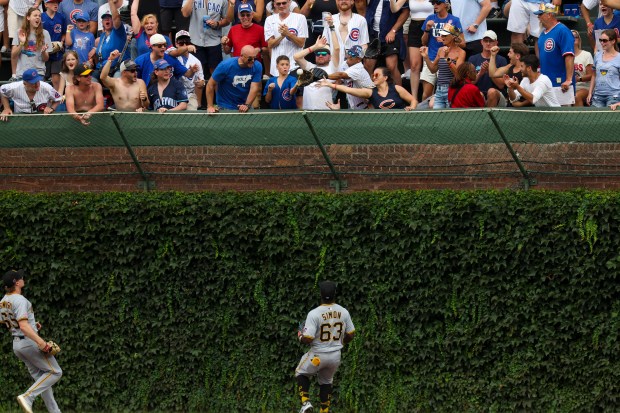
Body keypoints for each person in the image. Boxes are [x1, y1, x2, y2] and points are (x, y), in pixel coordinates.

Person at [0, 269, 63, 413]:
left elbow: (10, 321)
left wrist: (33, 325)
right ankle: (28, 397)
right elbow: (23, 326)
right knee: (55, 372)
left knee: (42, 380)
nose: (23, 278)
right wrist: (41, 342)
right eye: (21, 277)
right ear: (17, 282)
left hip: (17, 345)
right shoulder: (20, 299)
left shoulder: (3, 302)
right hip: (29, 343)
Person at [295, 280, 355, 413]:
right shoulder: (344, 312)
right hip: (335, 356)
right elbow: (351, 334)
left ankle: (305, 403)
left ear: (321, 294)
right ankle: (325, 410)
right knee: (326, 381)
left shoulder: (314, 313)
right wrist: (340, 343)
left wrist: (300, 336)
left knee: (301, 373)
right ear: (335, 294)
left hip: (317, 355)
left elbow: (308, 338)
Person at [388, 0, 432, 101]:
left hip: (430, 26)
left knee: (429, 64)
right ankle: (414, 99)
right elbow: (394, 9)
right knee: (414, 65)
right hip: (414, 27)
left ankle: (429, 98)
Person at [420, 0, 464, 101]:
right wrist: (427, 29)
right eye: (433, 3)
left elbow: (463, 42)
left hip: (446, 59)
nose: (435, 5)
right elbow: (423, 42)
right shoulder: (430, 18)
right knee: (426, 95)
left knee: (446, 94)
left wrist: (448, 39)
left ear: (445, 4)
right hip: (431, 57)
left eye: (438, 3)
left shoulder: (454, 20)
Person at [318, 66, 417, 109]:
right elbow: (349, 90)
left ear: (385, 77)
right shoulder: (370, 92)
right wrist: (330, 84)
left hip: (403, 120)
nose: (374, 77)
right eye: (373, 75)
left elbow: (413, 100)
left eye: (377, 75)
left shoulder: (397, 88)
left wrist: (411, 108)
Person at [535, 2, 575, 106]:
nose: (538, 17)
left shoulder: (562, 30)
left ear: (549, 14)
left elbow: (569, 55)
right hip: (546, 83)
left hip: (560, 83)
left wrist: (568, 79)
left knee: (563, 115)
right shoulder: (542, 34)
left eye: (541, 14)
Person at [363, 0, 409, 86]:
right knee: (368, 65)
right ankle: (370, 94)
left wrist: (393, 30)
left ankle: (398, 95)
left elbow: (406, 12)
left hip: (390, 32)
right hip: (373, 33)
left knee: (391, 66)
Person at [181, 0, 230, 79]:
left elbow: (227, 20)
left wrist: (217, 23)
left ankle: (215, 91)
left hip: (214, 40)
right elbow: (185, 13)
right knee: (197, 72)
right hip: (196, 39)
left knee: (216, 73)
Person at [206, 44, 262, 112]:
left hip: (244, 104)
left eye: (254, 58)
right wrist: (210, 106)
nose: (253, 61)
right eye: (250, 58)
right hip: (226, 105)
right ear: (241, 56)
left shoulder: (257, 66)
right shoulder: (225, 65)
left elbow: (254, 87)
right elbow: (210, 84)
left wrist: (247, 105)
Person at [293, 34, 339, 109]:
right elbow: (296, 57)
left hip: (325, 111)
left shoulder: (333, 68)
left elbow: (337, 49)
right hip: (308, 110)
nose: (320, 55)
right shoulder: (310, 67)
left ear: (330, 57)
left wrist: (331, 27)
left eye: (324, 53)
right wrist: (314, 47)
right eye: (318, 53)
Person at [134, 33, 198, 86]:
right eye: (159, 46)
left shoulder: (171, 59)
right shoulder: (140, 61)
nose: (163, 48)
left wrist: (192, 71)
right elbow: (135, 81)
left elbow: (188, 74)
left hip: (169, 96)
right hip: (148, 95)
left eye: (165, 45)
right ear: (152, 46)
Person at [264, 0, 308, 76]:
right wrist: (282, 36)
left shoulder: (300, 18)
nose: (281, 6)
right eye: (278, 4)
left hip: (295, 66)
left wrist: (288, 34)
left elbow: (301, 43)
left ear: (289, 3)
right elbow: (270, 44)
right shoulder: (269, 19)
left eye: (284, 3)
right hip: (277, 68)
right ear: (274, 4)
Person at [321, 0, 369, 65]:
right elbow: (325, 44)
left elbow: (364, 45)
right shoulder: (330, 19)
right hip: (334, 62)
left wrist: (357, 59)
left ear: (352, 1)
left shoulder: (360, 20)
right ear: (337, 2)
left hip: (354, 63)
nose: (343, 1)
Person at [326, 44, 373, 109]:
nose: (350, 56)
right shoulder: (345, 64)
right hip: (352, 101)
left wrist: (324, 76)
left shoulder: (358, 68)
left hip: (366, 103)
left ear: (359, 60)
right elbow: (340, 80)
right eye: (349, 52)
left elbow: (340, 75)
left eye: (353, 55)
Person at [468, 30, 507, 107]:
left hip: (497, 95)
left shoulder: (501, 60)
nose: (488, 43)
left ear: (496, 43)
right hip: (479, 94)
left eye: (491, 41)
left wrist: (490, 71)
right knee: (479, 94)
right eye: (486, 41)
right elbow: (469, 83)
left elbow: (501, 85)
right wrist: (480, 73)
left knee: (491, 92)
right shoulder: (472, 59)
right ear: (481, 42)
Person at [11, 7, 51, 79]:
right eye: (35, 15)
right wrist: (22, 43)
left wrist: (43, 52)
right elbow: (14, 55)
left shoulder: (45, 33)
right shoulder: (19, 32)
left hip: (38, 73)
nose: (38, 18)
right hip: (22, 73)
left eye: (39, 16)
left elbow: (46, 59)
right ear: (28, 17)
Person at [93, 0, 130, 78]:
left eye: (109, 18)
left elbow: (116, 18)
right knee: (91, 80)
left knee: (117, 80)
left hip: (117, 68)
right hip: (102, 69)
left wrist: (111, 2)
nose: (107, 20)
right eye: (104, 19)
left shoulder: (118, 32)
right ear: (102, 22)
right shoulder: (102, 37)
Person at [171, 30, 204, 110]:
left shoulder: (196, 61)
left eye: (187, 42)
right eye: (181, 43)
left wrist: (201, 83)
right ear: (176, 44)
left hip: (189, 94)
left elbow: (201, 81)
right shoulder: (172, 56)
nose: (185, 45)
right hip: (173, 94)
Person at [488, 41, 529, 107]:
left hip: (525, 107)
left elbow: (533, 96)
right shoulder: (510, 67)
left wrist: (520, 104)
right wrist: (493, 55)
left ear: (517, 56)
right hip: (510, 103)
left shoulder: (527, 70)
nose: (508, 55)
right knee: (491, 91)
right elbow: (493, 74)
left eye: (510, 52)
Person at [588, 29, 620, 108]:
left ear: (613, 41)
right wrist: (590, 93)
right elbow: (594, 75)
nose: (602, 43)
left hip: (614, 96)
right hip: (597, 96)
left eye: (605, 40)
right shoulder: (597, 55)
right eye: (600, 40)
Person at [41, 0, 66, 91]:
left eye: (57, 2)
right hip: (44, 52)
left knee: (56, 78)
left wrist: (62, 42)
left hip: (57, 53)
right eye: (52, 2)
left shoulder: (61, 17)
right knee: (42, 78)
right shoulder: (40, 17)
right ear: (46, 4)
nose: (56, 4)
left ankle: (57, 100)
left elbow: (64, 33)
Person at [572, 29, 593, 107]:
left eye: (576, 37)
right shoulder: (564, 56)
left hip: (584, 87)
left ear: (579, 39)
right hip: (569, 87)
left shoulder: (586, 55)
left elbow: (591, 75)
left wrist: (578, 79)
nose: (574, 38)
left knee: (576, 96)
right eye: (571, 37)